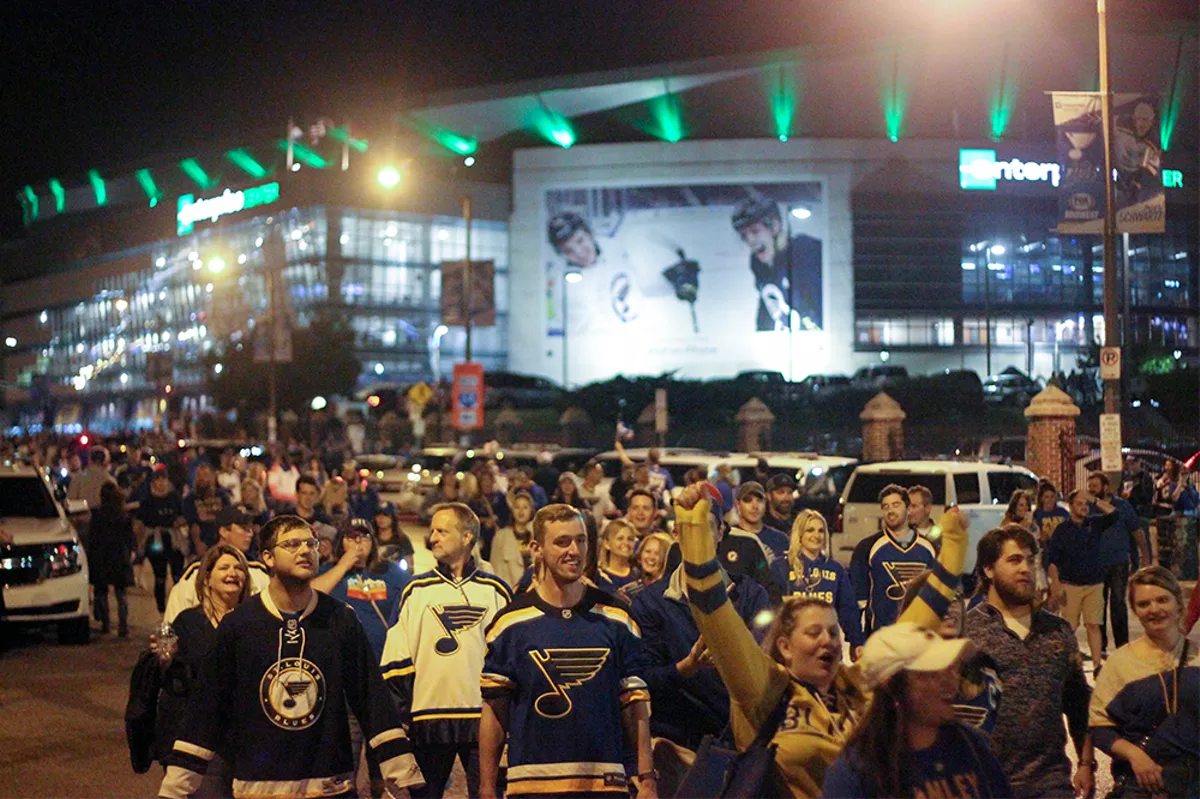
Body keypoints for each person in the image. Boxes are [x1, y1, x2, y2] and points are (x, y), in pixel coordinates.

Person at [672, 483, 968, 798]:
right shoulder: (764, 689)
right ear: (785, 646)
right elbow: (719, 622)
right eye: (813, 633)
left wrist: (949, 564)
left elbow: (910, 630)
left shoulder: (856, 684)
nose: (827, 640)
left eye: (832, 631)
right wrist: (695, 534)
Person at [158, 515, 425, 799]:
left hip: (328, 786)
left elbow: (371, 698)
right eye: (293, 544)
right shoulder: (239, 625)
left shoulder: (340, 620)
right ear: (268, 557)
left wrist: (403, 770)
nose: (305, 551)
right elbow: (208, 706)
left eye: (310, 544)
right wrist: (176, 786)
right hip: (259, 787)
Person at [479, 504, 655, 799]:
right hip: (531, 783)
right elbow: (494, 712)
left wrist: (647, 779)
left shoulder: (617, 618)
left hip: (604, 782)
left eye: (581, 540)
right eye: (562, 541)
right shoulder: (509, 624)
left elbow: (635, 707)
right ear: (536, 548)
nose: (574, 550)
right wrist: (486, 787)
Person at [381, 503, 512, 799]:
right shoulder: (416, 590)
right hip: (428, 720)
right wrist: (400, 714)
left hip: (485, 721)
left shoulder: (496, 590)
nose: (433, 538)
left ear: (467, 537)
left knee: (489, 795)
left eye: (442, 530)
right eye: (432, 532)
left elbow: (509, 660)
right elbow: (396, 657)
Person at [964, 526, 1096, 799]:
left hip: (1049, 782)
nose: (1026, 568)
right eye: (1014, 560)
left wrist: (1086, 765)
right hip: (982, 783)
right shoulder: (967, 632)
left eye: (1031, 560)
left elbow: (1078, 704)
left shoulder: (1058, 631)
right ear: (988, 569)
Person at [821, 622, 1012, 799]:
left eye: (950, 669)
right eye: (931, 674)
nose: (950, 683)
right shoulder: (857, 772)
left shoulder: (969, 744)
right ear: (892, 686)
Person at [629, 511, 770, 751]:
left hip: (741, 739)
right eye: (689, 529)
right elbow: (643, 679)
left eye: (706, 528)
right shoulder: (649, 603)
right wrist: (687, 666)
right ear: (676, 534)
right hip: (677, 741)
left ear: (720, 533)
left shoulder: (750, 594)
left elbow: (767, 665)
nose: (698, 538)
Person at [316, 518, 412, 795]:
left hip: (382, 682)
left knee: (383, 761)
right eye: (351, 537)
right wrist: (344, 564)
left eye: (364, 537)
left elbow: (412, 605)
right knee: (346, 760)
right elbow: (311, 594)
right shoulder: (330, 572)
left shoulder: (391, 574)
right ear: (340, 542)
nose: (358, 543)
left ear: (374, 543)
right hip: (344, 681)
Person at [1089, 566, 1199, 799]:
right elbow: (1099, 728)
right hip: (1145, 787)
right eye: (1144, 604)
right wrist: (1134, 755)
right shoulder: (1120, 663)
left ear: (1179, 604)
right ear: (1135, 611)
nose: (1154, 610)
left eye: (1162, 600)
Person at [153, 543, 251, 793]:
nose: (233, 573)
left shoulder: (253, 620)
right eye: (224, 567)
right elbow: (171, 681)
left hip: (245, 733)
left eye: (239, 568)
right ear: (207, 577)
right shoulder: (189, 621)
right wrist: (164, 660)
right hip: (204, 733)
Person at [900, 571, 1003, 734]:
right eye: (938, 601)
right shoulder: (895, 674)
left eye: (955, 599)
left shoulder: (985, 668)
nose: (949, 608)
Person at [1046, 488, 1121, 669]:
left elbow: (1114, 514)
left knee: (1093, 624)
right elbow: (1052, 560)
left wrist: (1094, 499)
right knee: (1070, 626)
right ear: (1070, 507)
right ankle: (1068, 664)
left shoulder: (1094, 525)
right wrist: (1056, 585)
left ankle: (1097, 666)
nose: (1084, 507)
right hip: (1071, 584)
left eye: (1085, 504)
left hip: (1094, 584)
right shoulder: (1062, 530)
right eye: (1079, 504)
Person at [850, 483, 937, 633]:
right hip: (879, 638)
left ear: (908, 508)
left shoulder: (929, 549)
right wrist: (855, 639)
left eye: (896, 505)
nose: (890, 510)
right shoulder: (867, 548)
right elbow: (857, 600)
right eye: (885, 507)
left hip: (919, 638)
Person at [163, 506, 271, 624]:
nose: (250, 533)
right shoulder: (196, 573)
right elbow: (173, 623)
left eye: (250, 528)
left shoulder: (259, 572)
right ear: (223, 531)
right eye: (243, 528)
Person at [731, 196, 822, 331]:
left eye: (755, 231)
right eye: (744, 235)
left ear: (775, 226)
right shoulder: (758, 263)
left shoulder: (806, 251)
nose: (749, 240)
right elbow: (766, 305)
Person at [786, 509, 864, 658]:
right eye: (810, 530)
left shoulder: (836, 570)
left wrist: (857, 641)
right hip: (794, 651)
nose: (816, 535)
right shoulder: (782, 567)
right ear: (800, 534)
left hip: (828, 648)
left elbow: (849, 611)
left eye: (821, 531)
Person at [1087, 471, 1150, 656]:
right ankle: (1102, 647)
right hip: (1096, 562)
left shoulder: (1122, 506)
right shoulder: (1089, 507)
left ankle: (1122, 647)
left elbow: (1137, 531)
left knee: (1117, 603)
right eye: (1089, 486)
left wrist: (1145, 555)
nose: (1091, 490)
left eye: (1095, 486)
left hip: (1118, 561)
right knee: (1099, 604)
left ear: (1105, 487)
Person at [135, 465, 189, 613]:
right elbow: (140, 522)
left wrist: (180, 522)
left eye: (163, 479)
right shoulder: (147, 500)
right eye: (157, 479)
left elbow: (182, 515)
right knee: (160, 576)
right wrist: (139, 543)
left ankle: (179, 607)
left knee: (178, 574)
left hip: (173, 539)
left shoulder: (174, 497)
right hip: (155, 540)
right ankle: (162, 609)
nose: (161, 483)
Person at [89, 481, 137, 636]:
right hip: (119, 556)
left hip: (101, 556)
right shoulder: (123, 516)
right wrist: (131, 552)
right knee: (121, 592)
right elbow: (130, 538)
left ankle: (106, 623)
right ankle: (123, 625)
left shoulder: (97, 515)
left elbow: (92, 538)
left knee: (101, 592)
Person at [728, 480, 790, 591]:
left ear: (765, 504)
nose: (755, 506)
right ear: (738, 505)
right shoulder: (728, 537)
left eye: (759, 500)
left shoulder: (781, 539)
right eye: (748, 500)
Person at [184, 462, 230, 558]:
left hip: (220, 543)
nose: (202, 478)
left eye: (205, 475)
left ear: (212, 476)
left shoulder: (222, 496)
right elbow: (193, 524)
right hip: (199, 545)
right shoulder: (190, 499)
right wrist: (198, 543)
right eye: (199, 475)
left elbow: (227, 521)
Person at [490, 490, 534, 590]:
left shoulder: (538, 535)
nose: (521, 511)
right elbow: (495, 567)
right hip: (509, 589)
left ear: (531, 510)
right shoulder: (502, 536)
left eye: (525, 507)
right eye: (517, 507)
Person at [618, 532, 673, 603]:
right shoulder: (630, 592)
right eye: (648, 551)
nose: (651, 557)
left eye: (657, 553)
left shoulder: (673, 592)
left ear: (667, 557)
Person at [595, 518, 640, 595]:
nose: (626, 543)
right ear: (607, 544)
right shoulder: (598, 576)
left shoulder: (639, 573)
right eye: (620, 539)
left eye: (630, 539)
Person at [67, 445, 116, 511]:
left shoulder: (78, 479)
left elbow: (70, 503)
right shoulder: (111, 481)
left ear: (89, 459)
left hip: (82, 518)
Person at [1033, 479, 1070, 559]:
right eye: (1046, 497)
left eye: (1052, 496)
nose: (1050, 500)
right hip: (1047, 552)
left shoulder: (1063, 512)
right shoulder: (1037, 514)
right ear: (1041, 499)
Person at [374, 504, 414, 571]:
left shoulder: (402, 539)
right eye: (378, 515)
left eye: (385, 515)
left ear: (393, 518)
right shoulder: (371, 538)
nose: (381, 518)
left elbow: (409, 564)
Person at [578, 461, 617, 528]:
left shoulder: (602, 491)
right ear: (590, 473)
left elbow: (610, 508)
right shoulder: (578, 492)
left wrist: (610, 511)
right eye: (599, 472)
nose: (602, 475)